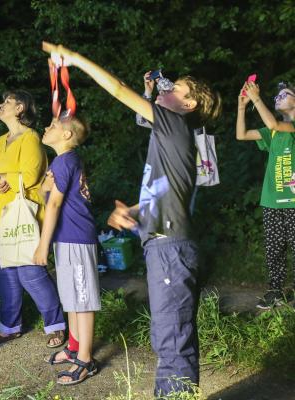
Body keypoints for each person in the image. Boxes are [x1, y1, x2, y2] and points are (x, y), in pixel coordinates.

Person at [42, 42, 221, 396]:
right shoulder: (169, 136)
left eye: (176, 89)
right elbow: (169, 195)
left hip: (170, 248)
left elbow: (118, 91)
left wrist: (75, 58)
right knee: (169, 335)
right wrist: (135, 212)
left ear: (189, 104)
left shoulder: (174, 124)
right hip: (165, 245)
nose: (167, 90)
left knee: (172, 340)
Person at [0, 89, 66, 348]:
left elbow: (28, 176)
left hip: (21, 218)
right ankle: (9, 327)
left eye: (7, 101)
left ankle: (56, 324)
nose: (1, 104)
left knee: (30, 272)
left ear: (20, 109)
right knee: (7, 273)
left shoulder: (31, 138)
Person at [33, 116, 101, 385]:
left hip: (77, 239)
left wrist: (42, 245)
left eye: (52, 126)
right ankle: (74, 348)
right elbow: (45, 195)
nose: (46, 128)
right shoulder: (63, 162)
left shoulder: (65, 161)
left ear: (67, 135)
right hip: (68, 239)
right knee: (72, 298)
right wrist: (44, 187)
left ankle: (85, 360)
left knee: (82, 301)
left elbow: (53, 206)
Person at [236, 81, 295, 309]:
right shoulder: (272, 132)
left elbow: (273, 122)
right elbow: (241, 134)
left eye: (285, 94)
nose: (278, 97)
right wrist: (243, 106)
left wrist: (257, 99)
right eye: (276, 96)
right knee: (274, 249)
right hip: (272, 200)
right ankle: (275, 292)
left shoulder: (288, 127)